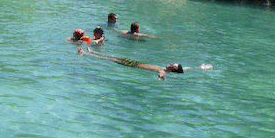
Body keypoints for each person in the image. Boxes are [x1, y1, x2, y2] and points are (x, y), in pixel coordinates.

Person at [78, 48, 211, 80]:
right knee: (114, 57)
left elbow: (161, 75)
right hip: (137, 63)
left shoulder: (165, 71)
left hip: (134, 66)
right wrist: (201, 67)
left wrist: (162, 77)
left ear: (173, 69)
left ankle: (86, 54)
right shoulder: (170, 69)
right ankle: (91, 51)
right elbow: (187, 68)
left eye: (173, 65)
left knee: (111, 60)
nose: (172, 63)